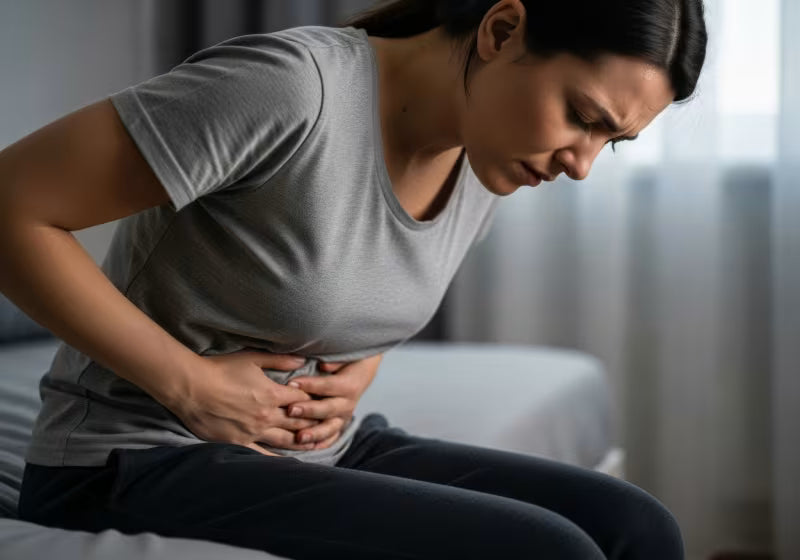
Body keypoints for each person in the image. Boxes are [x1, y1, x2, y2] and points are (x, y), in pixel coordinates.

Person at [0, 0, 707, 557]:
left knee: (636, 528)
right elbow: (13, 207)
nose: (579, 165)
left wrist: (361, 368)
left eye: (610, 143)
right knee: (550, 551)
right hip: (130, 459)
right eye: (582, 118)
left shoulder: (487, 159)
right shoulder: (288, 88)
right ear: (502, 28)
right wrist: (191, 382)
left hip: (311, 453)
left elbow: (353, 275)